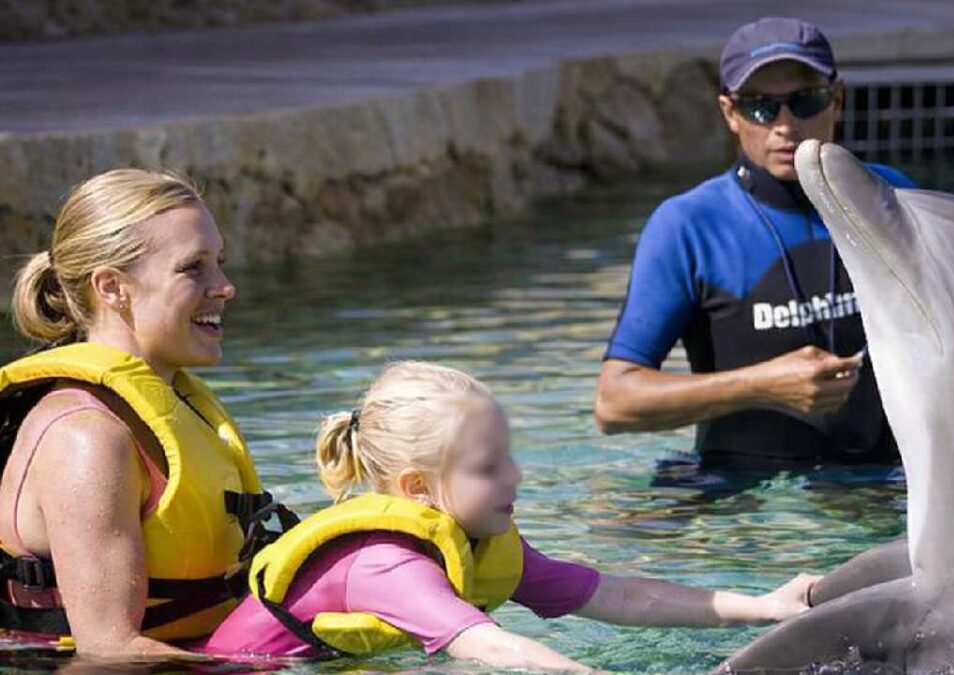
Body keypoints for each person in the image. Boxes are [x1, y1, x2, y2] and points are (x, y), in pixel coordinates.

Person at [200, 361, 820, 670]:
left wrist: (766, 605)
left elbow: (622, 598)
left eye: (509, 457)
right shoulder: (385, 564)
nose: (516, 477)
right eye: (489, 466)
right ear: (419, 488)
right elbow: (487, 645)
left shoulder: (479, 541)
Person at [594, 17, 917, 471]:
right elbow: (614, 403)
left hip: (884, 482)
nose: (785, 125)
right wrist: (762, 385)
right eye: (761, 107)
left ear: (837, 99)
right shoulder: (690, 226)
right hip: (746, 504)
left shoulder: (890, 199)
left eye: (805, 102)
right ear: (730, 113)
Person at [0, 169, 288, 657]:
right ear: (112, 287)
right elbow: (108, 654)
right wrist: (280, 663)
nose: (225, 287)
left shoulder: (173, 405)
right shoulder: (87, 438)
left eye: (219, 262)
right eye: (193, 267)